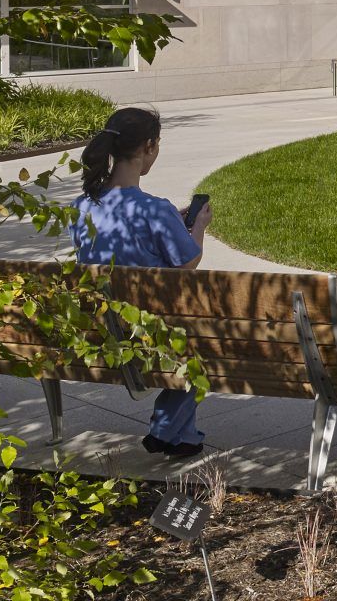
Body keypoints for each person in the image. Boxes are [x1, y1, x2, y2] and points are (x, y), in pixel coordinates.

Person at [72, 107, 212, 458]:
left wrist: (173, 226)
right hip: (153, 331)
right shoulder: (154, 209)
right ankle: (166, 431)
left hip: (102, 331)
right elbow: (186, 263)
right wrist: (198, 228)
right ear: (149, 146)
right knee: (204, 346)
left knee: (190, 342)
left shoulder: (81, 206)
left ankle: (185, 438)